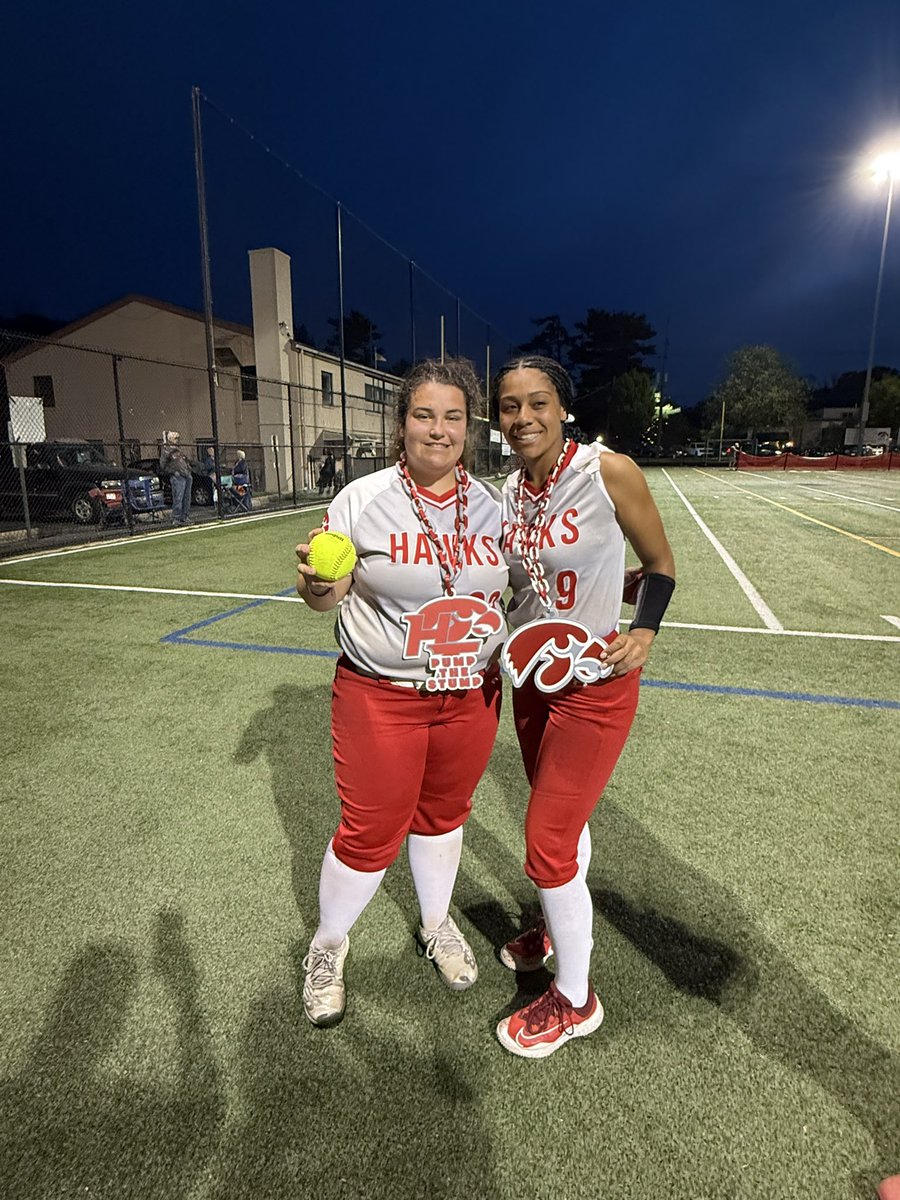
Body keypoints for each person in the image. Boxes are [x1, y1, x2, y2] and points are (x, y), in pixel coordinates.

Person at [295, 359, 509, 1028]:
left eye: (452, 417)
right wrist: (317, 583)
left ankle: (436, 924)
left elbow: (521, 587)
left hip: (471, 694)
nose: (438, 430)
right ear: (401, 423)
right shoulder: (362, 498)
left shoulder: (494, 505)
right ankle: (328, 946)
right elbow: (323, 596)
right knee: (370, 829)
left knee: (445, 815)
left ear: (469, 427)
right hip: (381, 694)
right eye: (424, 415)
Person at [491, 355, 676, 1059]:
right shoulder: (507, 493)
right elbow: (520, 587)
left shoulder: (607, 471)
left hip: (595, 683)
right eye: (510, 406)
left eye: (537, 402)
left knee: (546, 841)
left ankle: (575, 999)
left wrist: (644, 631)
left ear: (562, 408)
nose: (523, 418)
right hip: (532, 680)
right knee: (563, 825)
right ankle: (552, 923)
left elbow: (659, 566)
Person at [158, 431, 193, 526]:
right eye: (175, 438)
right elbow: (163, 465)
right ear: (170, 439)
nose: (177, 440)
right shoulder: (166, 451)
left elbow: (186, 461)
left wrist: (188, 469)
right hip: (177, 477)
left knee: (187, 497)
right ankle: (176, 518)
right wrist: (174, 472)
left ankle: (185, 516)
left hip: (186, 475)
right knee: (178, 497)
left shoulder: (179, 450)